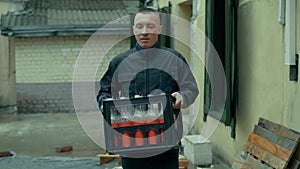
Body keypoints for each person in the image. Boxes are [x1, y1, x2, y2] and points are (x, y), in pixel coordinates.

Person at [97, 8, 199, 169]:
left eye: (150, 26)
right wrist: (108, 105)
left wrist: (182, 96)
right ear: (133, 30)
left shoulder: (174, 59)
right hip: (130, 141)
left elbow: (191, 88)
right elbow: (104, 92)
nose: (144, 32)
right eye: (139, 26)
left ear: (159, 29)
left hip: (166, 141)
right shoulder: (119, 62)